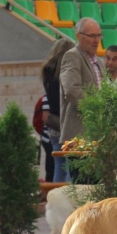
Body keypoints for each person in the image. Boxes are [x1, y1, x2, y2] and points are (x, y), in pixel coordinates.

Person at [60, 18, 106, 182]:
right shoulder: (72, 56)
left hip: (97, 134)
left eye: (98, 36)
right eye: (91, 36)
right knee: (82, 185)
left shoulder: (98, 62)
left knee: (96, 184)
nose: (96, 40)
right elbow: (72, 91)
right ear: (79, 36)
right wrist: (95, 109)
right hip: (79, 134)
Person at [42, 37, 75, 183]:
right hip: (67, 123)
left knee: (58, 165)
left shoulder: (47, 73)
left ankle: (57, 200)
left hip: (54, 123)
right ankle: (68, 202)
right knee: (70, 166)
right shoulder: (66, 73)